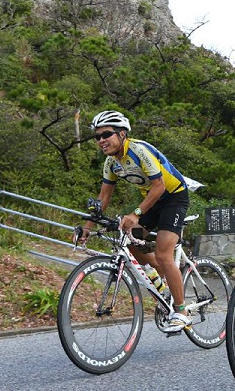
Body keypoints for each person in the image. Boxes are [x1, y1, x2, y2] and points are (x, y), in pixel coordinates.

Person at [77, 110, 192, 333]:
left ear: (122, 134)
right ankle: (165, 280)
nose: (101, 140)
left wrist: (136, 213)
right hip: (152, 201)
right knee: (128, 243)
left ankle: (181, 311)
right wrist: (87, 228)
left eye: (106, 134)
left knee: (162, 253)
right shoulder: (111, 162)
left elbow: (159, 186)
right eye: (97, 136)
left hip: (174, 197)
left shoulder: (139, 150)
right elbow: (104, 198)